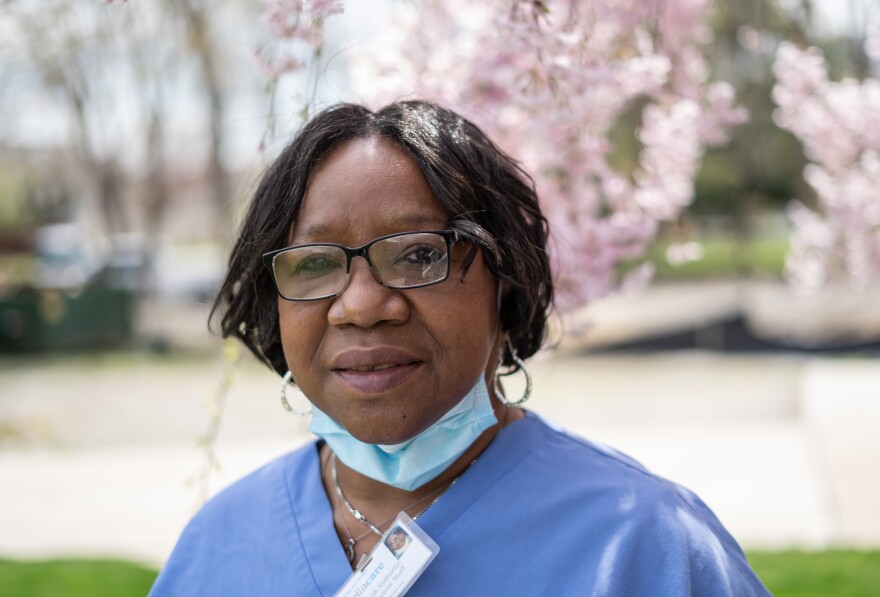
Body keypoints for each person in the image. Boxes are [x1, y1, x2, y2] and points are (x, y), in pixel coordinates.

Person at [148, 101, 770, 596]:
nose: (362, 306)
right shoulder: (220, 544)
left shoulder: (647, 544)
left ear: (507, 285)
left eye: (420, 254)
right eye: (315, 263)